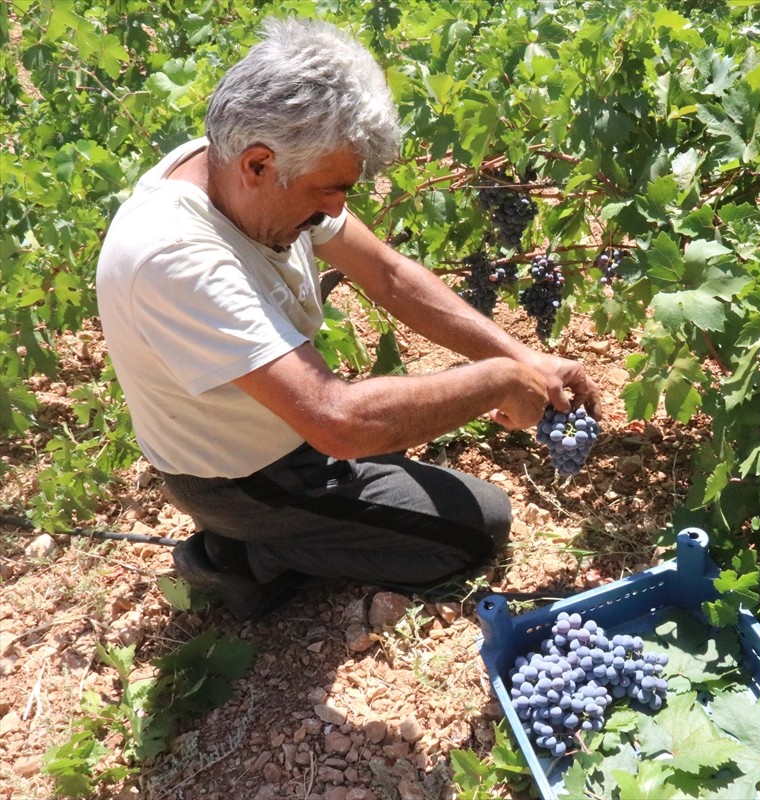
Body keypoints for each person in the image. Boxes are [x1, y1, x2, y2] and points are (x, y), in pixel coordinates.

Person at [95, 17, 599, 620]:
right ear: (257, 165)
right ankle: (242, 556)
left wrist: (523, 358)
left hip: (288, 430)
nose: (336, 210)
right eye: (329, 189)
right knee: (475, 529)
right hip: (245, 478)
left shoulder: (239, 173)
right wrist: (500, 382)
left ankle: (297, 528)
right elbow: (337, 421)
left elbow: (388, 274)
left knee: (402, 433)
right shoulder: (178, 259)